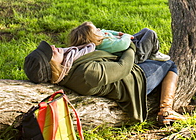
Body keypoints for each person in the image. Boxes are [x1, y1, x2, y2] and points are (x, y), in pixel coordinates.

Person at [24, 40, 186, 125]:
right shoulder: (86, 75)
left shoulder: (68, 65)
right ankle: (166, 110)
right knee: (169, 64)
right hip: (135, 81)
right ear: (53, 67)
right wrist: (129, 47)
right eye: (51, 53)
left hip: (126, 71)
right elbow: (123, 68)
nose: (53, 47)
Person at [68, 21, 170, 63]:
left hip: (130, 45)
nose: (100, 30)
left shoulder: (99, 37)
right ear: (93, 38)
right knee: (150, 33)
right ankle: (154, 53)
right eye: (97, 30)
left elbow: (106, 31)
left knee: (145, 31)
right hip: (136, 54)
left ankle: (152, 50)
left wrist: (119, 33)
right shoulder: (104, 44)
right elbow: (122, 45)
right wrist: (125, 36)